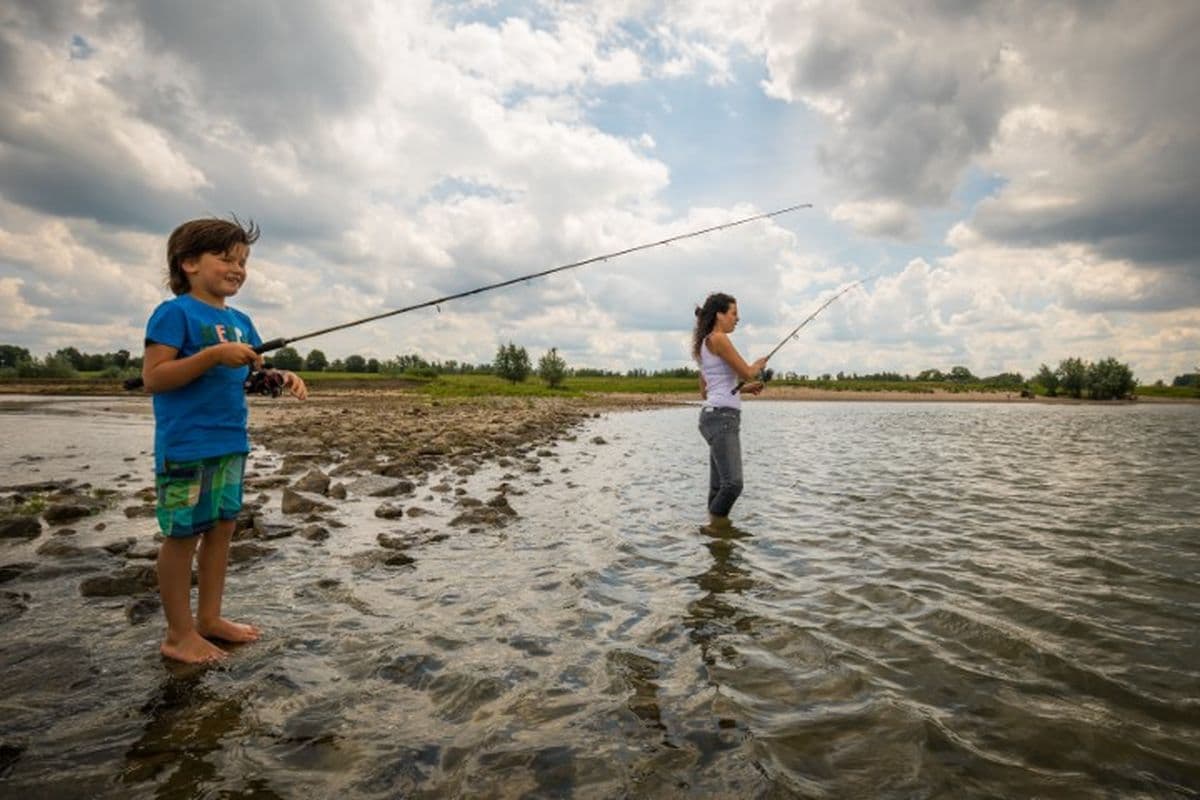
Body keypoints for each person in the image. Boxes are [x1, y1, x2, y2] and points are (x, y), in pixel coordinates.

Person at [141, 217, 308, 664]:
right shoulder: (174, 313)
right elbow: (154, 377)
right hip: (185, 447)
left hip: (231, 442)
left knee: (222, 529)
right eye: (226, 258)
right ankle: (179, 634)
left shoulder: (241, 321)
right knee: (183, 536)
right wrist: (212, 355)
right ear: (189, 263)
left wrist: (280, 377)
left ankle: (209, 619)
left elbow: (251, 377)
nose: (237, 269)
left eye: (243, 261)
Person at [693, 293, 767, 528]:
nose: (737, 318)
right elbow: (747, 372)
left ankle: (716, 539)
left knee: (719, 486)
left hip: (711, 417)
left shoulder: (703, 344)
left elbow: (708, 391)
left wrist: (746, 389)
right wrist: (758, 365)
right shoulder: (719, 339)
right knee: (733, 484)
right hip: (722, 418)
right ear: (719, 315)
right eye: (734, 313)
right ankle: (715, 527)